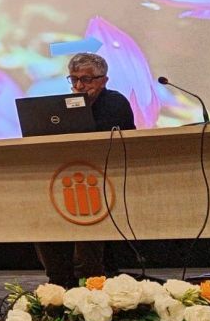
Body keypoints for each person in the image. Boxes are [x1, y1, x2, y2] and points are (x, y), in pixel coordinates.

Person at [33, 52, 135, 288]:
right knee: (43, 212)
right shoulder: (61, 108)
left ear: (103, 80)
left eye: (86, 80)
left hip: (103, 181)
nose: (79, 86)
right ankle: (57, 280)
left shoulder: (115, 102)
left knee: (87, 214)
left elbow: (120, 144)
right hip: (66, 176)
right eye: (74, 79)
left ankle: (90, 278)